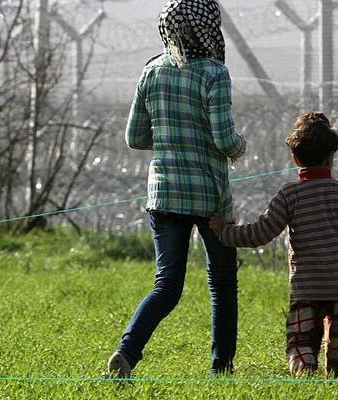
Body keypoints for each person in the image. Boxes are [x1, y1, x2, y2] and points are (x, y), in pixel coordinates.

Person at [106, 0, 247, 379]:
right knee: (222, 282)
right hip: (210, 198)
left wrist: (172, 139)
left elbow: (135, 137)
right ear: (208, 28)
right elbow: (225, 138)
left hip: (164, 194)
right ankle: (221, 367)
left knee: (166, 285)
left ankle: (127, 352)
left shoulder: (151, 71)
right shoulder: (215, 73)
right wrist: (240, 145)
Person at [209, 112, 338, 378]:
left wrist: (224, 231)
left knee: (300, 343)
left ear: (295, 158)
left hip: (307, 288)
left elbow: (261, 232)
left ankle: (304, 373)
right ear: (331, 157)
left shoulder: (289, 195)